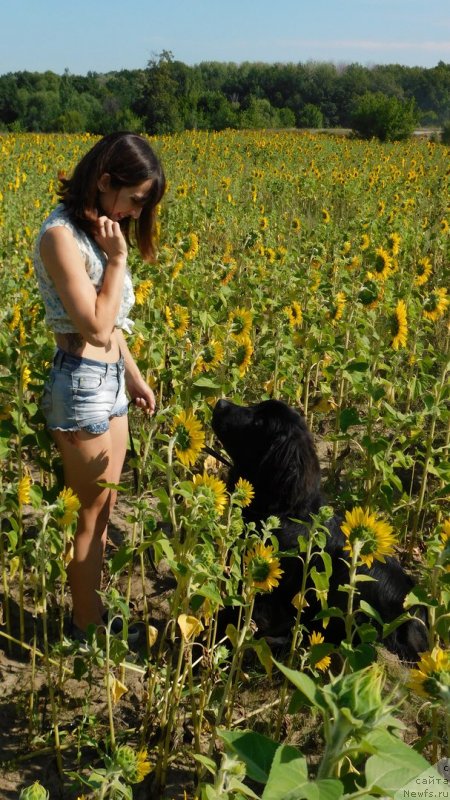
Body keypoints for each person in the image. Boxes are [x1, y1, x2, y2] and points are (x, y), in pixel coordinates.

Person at [33, 132, 166, 641]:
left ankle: (95, 614)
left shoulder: (98, 231)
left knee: (107, 509)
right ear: (106, 181)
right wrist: (116, 261)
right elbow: (93, 325)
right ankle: (84, 628)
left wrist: (132, 376)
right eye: (134, 200)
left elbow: (115, 328)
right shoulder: (60, 237)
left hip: (109, 380)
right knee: (87, 516)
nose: (135, 213)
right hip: (81, 384)